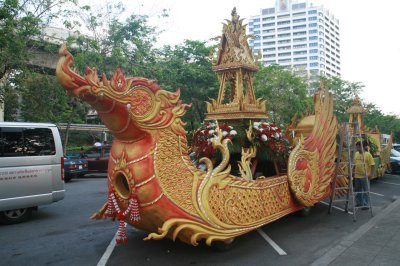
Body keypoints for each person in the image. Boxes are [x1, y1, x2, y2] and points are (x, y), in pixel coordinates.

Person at [354, 141, 375, 210]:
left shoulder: (368, 155)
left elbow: (373, 165)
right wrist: (352, 172)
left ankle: (365, 204)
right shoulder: (356, 154)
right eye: (356, 146)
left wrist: (371, 175)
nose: (357, 148)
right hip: (357, 176)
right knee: (357, 190)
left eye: (358, 146)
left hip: (365, 176)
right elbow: (354, 164)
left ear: (362, 147)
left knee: (366, 191)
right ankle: (359, 203)